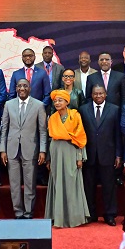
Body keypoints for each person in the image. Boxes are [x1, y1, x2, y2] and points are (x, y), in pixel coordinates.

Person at [0, 78, 48, 219]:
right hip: (12, 149)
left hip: (31, 149)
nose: (22, 88)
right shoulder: (8, 104)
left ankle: (28, 213)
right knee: (14, 184)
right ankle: (18, 213)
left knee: (30, 184)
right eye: (19, 86)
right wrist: (3, 150)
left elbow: (42, 131)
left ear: (30, 88)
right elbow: (4, 129)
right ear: (16, 88)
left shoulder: (39, 105)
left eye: (25, 86)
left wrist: (42, 150)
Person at [45, 89, 89, 228]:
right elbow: (50, 139)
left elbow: (80, 137)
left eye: (60, 100)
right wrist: (49, 158)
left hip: (71, 151)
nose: (57, 103)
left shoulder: (75, 115)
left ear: (67, 102)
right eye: (55, 101)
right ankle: (58, 217)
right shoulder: (52, 118)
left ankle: (74, 218)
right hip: (56, 151)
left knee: (72, 183)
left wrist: (80, 157)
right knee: (57, 182)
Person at [79, 84, 122, 226]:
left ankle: (110, 215)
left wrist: (118, 155)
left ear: (105, 94)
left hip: (108, 154)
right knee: (88, 187)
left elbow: (118, 134)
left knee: (109, 187)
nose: (98, 96)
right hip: (89, 154)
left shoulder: (114, 109)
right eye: (95, 94)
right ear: (91, 95)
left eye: (101, 93)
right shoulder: (83, 109)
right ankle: (91, 214)